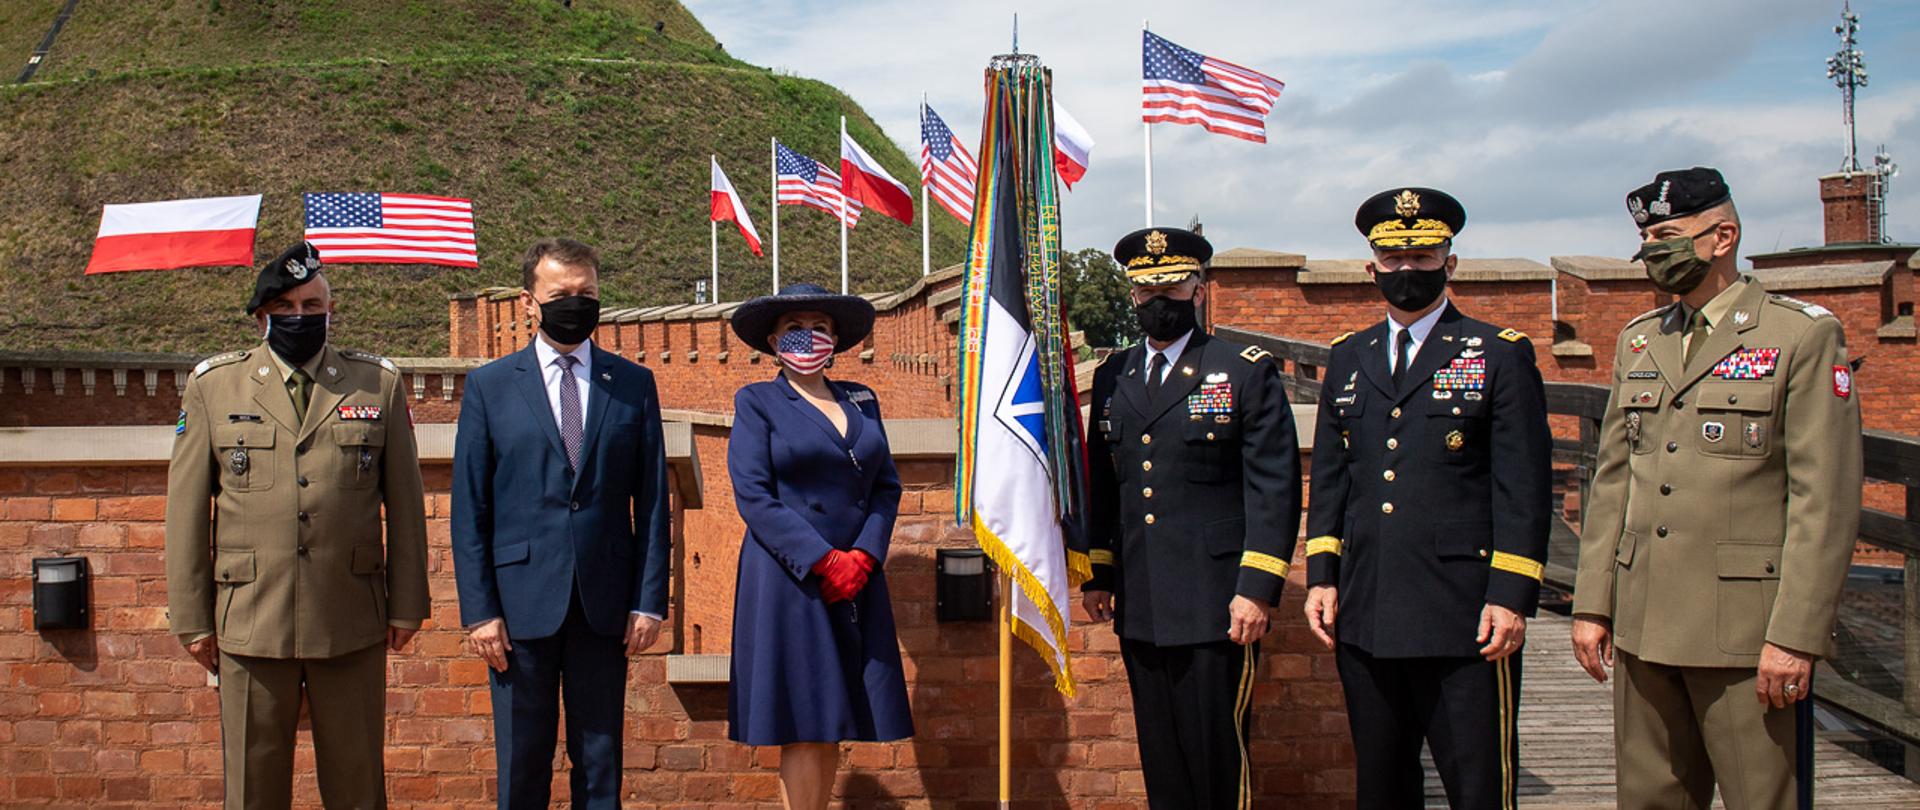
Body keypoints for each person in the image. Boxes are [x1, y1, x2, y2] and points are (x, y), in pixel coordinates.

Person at [1571, 167, 1863, 808]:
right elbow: (1614, 478)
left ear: (1722, 235)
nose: (1654, 251)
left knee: (1762, 799)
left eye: (1669, 235)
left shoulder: (1800, 335)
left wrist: (1795, 637)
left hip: (1746, 633)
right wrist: (1592, 603)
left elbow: (1826, 500)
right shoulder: (1640, 340)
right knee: (1649, 799)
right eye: (1647, 239)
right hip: (1643, 622)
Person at [1299, 188, 1552, 809]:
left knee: (1477, 787)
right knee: (1381, 787)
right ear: (1372, 267)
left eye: (1423, 255)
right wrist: (1322, 576)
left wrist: (1510, 595)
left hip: (1464, 615)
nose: (1407, 270)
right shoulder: (1348, 357)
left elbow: (1523, 486)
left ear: (1450, 261)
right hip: (1366, 609)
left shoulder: (1497, 353)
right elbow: (1334, 479)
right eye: (1393, 259)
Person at [164, 241, 430, 809]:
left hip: (350, 619)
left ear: (331, 310)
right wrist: (192, 621)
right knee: (253, 789)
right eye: (285, 307)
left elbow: (405, 505)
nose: (301, 318)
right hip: (250, 621)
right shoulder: (215, 387)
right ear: (262, 316)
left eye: (313, 306)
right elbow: (186, 512)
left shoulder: (375, 384)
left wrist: (407, 604)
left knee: (358, 786)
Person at [1081, 227, 1302, 809]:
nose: (1159, 298)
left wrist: (1257, 589)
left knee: (1217, 755)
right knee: (1161, 755)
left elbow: (1274, 487)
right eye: (1146, 286)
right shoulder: (1114, 374)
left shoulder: (1241, 369)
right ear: (1131, 292)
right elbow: (1104, 483)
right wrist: (1100, 573)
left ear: (1199, 288)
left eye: (1174, 284)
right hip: (1142, 599)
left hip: (1217, 602)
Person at [450, 238, 671, 809]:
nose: (576, 304)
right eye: (561, 295)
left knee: (600, 767)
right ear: (529, 302)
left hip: (605, 605)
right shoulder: (491, 387)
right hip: (519, 610)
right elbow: (470, 509)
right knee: (522, 764)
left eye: (587, 294)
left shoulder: (632, 384)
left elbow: (649, 501)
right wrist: (480, 612)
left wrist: (649, 601)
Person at [725, 283, 910, 810]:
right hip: (794, 578)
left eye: (820, 327)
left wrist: (865, 556)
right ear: (772, 340)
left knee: (833, 718)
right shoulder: (757, 401)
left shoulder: (862, 399)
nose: (809, 338)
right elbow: (753, 494)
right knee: (805, 719)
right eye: (794, 329)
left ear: (837, 338)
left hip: (857, 576)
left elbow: (886, 487)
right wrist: (823, 559)